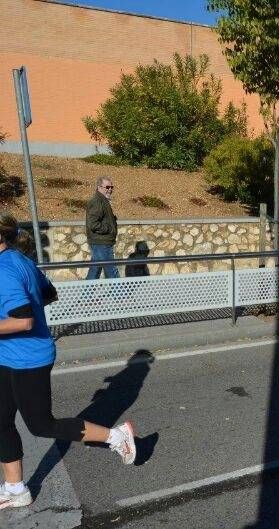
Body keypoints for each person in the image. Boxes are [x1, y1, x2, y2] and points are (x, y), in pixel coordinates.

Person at [0, 212, 136, 510]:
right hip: (8, 357)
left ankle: (116, 436)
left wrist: (24, 313)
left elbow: (22, 320)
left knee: (41, 425)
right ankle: (15, 489)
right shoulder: (19, 260)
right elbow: (49, 293)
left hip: (28, 359)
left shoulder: (5, 269)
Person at [85, 176, 119, 280]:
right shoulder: (97, 201)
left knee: (95, 270)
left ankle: (85, 296)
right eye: (107, 187)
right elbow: (93, 224)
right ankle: (120, 295)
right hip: (101, 243)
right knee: (112, 270)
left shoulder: (103, 200)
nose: (110, 189)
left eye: (111, 187)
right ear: (99, 187)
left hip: (102, 242)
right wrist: (109, 228)